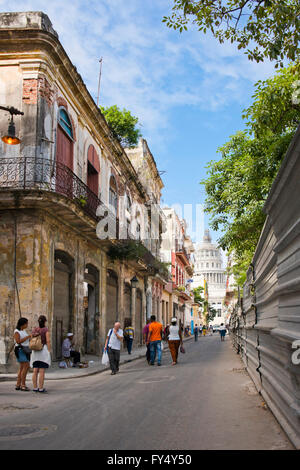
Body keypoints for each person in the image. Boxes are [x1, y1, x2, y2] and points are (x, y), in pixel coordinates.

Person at [30, 315, 51, 393]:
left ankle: (35, 387)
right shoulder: (45, 330)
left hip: (35, 352)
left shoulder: (35, 329)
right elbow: (48, 341)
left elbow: (31, 338)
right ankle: (41, 388)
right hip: (43, 350)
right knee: (42, 370)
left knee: (35, 370)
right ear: (45, 321)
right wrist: (49, 350)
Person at [14, 317, 32, 391]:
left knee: (22, 367)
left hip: (25, 349)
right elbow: (18, 341)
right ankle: (23, 385)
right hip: (20, 350)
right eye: (26, 323)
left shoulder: (23, 331)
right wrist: (28, 337)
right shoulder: (17, 331)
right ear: (23, 324)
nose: (27, 325)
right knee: (26, 366)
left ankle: (18, 384)